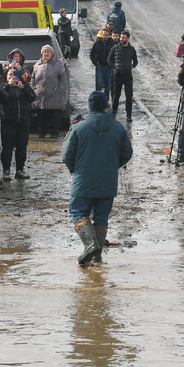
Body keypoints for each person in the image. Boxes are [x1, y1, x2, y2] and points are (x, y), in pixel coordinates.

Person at [62, 91, 133, 267]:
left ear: (90, 106)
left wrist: (75, 169)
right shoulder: (118, 127)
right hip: (108, 180)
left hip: (83, 179)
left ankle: (91, 245)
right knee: (101, 218)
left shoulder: (78, 127)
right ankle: (97, 256)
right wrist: (112, 167)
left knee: (79, 212)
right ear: (105, 107)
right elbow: (127, 153)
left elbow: (66, 155)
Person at [0, 50, 36, 180]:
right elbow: (0, 98)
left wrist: (23, 88)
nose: (13, 77)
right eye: (10, 74)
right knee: (7, 147)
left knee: (22, 147)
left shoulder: (23, 85)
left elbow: (33, 97)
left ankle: (20, 170)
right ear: (6, 76)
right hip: (8, 122)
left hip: (23, 121)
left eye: (15, 74)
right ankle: (6, 171)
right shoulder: (3, 87)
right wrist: (8, 86)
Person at [32, 44, 69, 137]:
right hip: (40, 96)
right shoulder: (37, 65)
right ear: (42, 53)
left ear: (51, 53)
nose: (46, 53)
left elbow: (63, 78)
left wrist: (60, 89)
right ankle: (41, 134)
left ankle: (54, 134)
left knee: (54, 117)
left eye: (48, 52)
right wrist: (33, 89)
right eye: (45, 52)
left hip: (54, 96)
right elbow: (32, 79)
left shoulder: (57, 64)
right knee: (41, 117)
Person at [107, 31, 137, 123]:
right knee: (116, 95)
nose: (121, 39)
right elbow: (109, 59)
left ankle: (129, 115)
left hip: (128, 75)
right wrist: (114, 66)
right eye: (120, 38)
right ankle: (113, 112)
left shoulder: (131, 49)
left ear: (128, 38)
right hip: (118, 75)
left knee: (129, 96)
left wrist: (131, 66)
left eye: (123, 38)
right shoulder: (115, 48)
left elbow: (135, 61)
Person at [90, 28, 115, 96]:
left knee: (108, 84)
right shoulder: (97, 43)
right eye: (104, 35)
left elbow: (115, 55)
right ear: (101, 35)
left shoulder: (112, 44)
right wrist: (95, 62)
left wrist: (112, 64)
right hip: (100, 66)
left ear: (109, 36)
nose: (105, 36)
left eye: (106, 35)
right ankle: (98, 99)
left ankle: (105, 101)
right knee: (99, 83)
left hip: (109, 67)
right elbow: (92, 54)